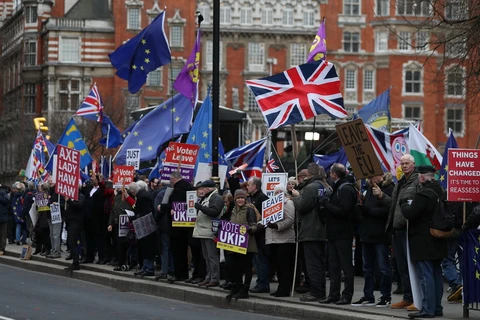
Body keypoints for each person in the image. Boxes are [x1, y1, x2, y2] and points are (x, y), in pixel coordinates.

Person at [399, 165, 447, 318]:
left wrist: (404, 203)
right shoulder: (441, 191)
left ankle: (428, 309)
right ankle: (437, 308)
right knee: (436, 274)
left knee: (425, 276)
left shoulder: (424, 194)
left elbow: (410, 213)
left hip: (423, 240)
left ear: (421, 177)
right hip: (438, 238)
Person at [374, 154, 418, 310]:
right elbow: (392, 205)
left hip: (409, 230)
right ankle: (407, 297)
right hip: (397, 230)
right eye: (402, 163)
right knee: (402, 267)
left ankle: (417, 299)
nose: (404, 165)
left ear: (413, 165)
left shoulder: (417, 181)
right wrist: (381, 196)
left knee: (412, 266)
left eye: (407, 163)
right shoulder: (401, 182)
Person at [352, 174, 394, 307]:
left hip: (380, 234)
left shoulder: (388, 188)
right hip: (367, 234)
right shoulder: (369, 189)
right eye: (368, 178)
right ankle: (368, 295)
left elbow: (388, 210)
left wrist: (369, 210)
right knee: (367, 268)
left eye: (372, 177)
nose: (370, 180)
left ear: (380, 176)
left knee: (383, 268)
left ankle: (385, 296)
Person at [318, 163, 357, 305]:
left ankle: (347, 295)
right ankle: (333, 294)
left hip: (343, 233)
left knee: (346, 266)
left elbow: (344, 211)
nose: (329, 175)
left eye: (330, 173)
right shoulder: (338, 187)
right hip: (334, 232)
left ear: (334, 174)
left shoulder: (345, 188)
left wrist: (327, 204)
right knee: (333, 266)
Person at [292, 163, 331, 302]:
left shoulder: (311, 187)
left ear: (309, 174)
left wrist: (296, 196)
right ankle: (321, 291)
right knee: (320, 263)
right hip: (322, 230)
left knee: (312, 263)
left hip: (311, 229)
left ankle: (315, 292)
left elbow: (302, 206)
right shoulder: (326, 187)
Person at [225, 189, 258, 300]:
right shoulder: (233, 210)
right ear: (235, 199)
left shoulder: (250, 210)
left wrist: (249, 229)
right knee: (233, 267)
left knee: (247, 267)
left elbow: (255, 226)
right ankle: (236, 287)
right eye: (238, 198)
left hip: (247, 244)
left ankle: (245, 290)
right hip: (234, 244)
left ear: (245, 199)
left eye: (242, 198)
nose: (240, 200)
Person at [266, 184, 295, 297]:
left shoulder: (288, 203)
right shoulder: (271, 205)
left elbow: (290, 219)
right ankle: (281, 287)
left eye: (280, 192)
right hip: (274, 240)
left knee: (284, 266)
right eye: (276, 192)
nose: (278, 194)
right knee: (278, 266)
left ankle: (285, 288)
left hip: (285, 239)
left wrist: (277, 226)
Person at [193, 180, 224, 287]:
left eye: (203, 188)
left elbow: (214, 212)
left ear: (209, 188)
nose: (202, 190)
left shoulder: (216, 197)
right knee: (207, 256)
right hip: (203, 231)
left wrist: (201, 207)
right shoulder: (207, 197)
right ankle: (209, 276)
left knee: (212, 256)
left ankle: (214, 278)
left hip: (209, 231)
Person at [165, 171, 194, 282]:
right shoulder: (189, 187)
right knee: (183, 250)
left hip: (177, 225)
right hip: (187, 224)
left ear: (173, 179)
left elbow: (175, 206)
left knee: (177, 251)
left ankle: (179, 274)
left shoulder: (178, 190)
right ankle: (184, 274)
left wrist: (163, 207)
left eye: (171, 180)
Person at [125, 181, 156, 277]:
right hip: (144, 224)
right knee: (143, 247)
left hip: (147, 225)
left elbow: (146, 211)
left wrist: (134, 217)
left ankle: (149, 268)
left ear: (132, 191)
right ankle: (145, 267)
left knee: (147, 247)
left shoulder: (143, 197)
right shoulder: (142, 195)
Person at [246, 177, 270, 294]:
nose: (247, 187)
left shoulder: (262, 198)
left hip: (260, 235)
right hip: (254, 235)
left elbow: (265, 216)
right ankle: (260, 282)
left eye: (249, 185)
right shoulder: (252, 198)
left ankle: (263, 283)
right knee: (256, 261)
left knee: (261, 260)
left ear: (254, 186)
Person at [63, 191, 85, 271]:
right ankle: (74, 260)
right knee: (70, 242)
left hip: (76, 222)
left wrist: (69, 201)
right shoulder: (69, 196)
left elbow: (79, 206)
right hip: (70, 221)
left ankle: (76, 263)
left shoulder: (80, 196)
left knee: (73, 242)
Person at [0, 184, 9, 255]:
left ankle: (2, 249)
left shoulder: (3, 192)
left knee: (3, 233)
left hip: (2, 217)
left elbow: (6, 201)